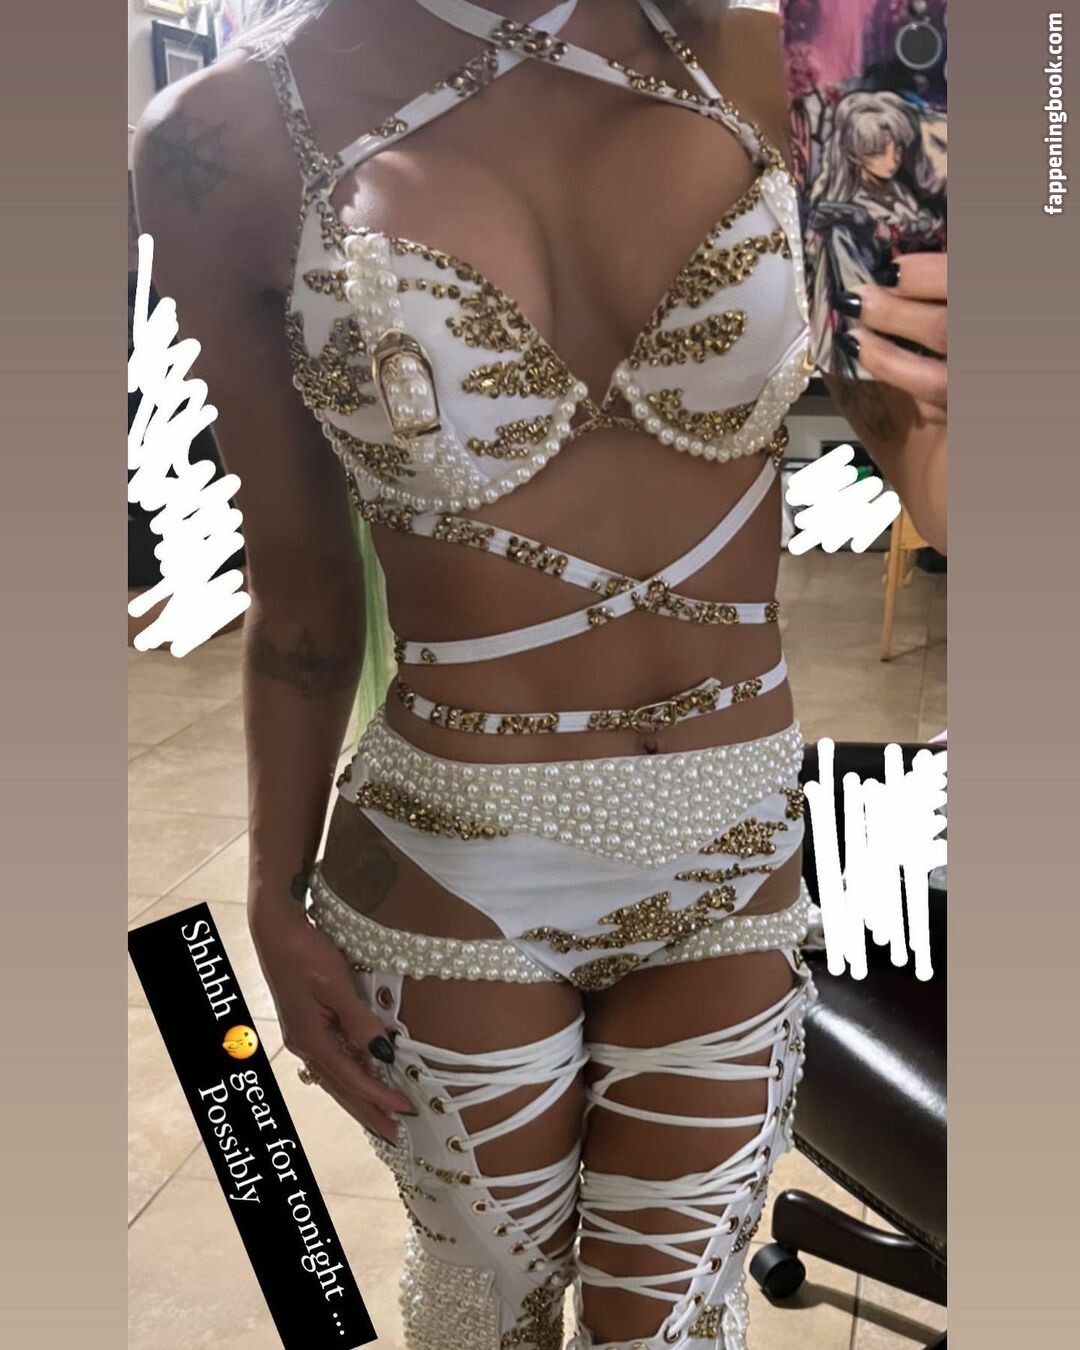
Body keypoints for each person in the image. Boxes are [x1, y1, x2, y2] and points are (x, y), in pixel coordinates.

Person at [134, 2, 946, 1345]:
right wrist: (269, 896)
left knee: (669, 1324)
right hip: (452, 852)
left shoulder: (781, 69)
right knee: (489, 1316)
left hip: (731, 841)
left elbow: (930, 450)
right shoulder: (220, 139)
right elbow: (302, 585)